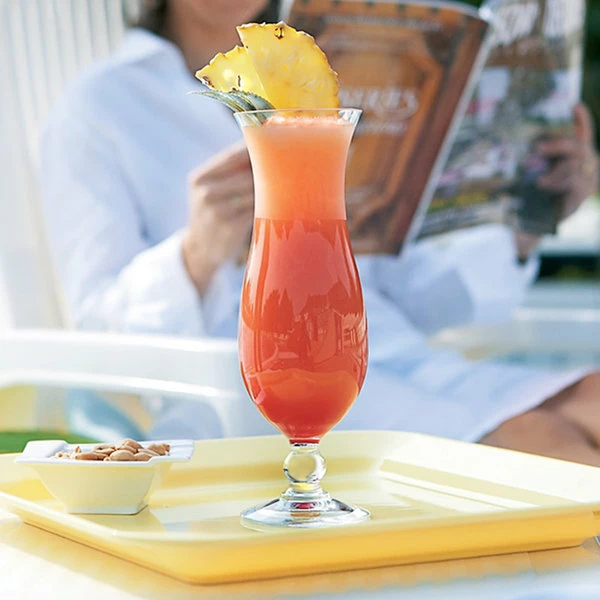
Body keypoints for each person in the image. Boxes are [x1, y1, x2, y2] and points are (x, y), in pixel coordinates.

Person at [40, 0, 600, 464]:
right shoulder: (100, 106)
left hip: (383, 352)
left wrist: (525, 220)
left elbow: (409, 294)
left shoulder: (336, 78)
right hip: (253, 382)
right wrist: (196, 254)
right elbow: (94, 327)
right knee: (546, 445)